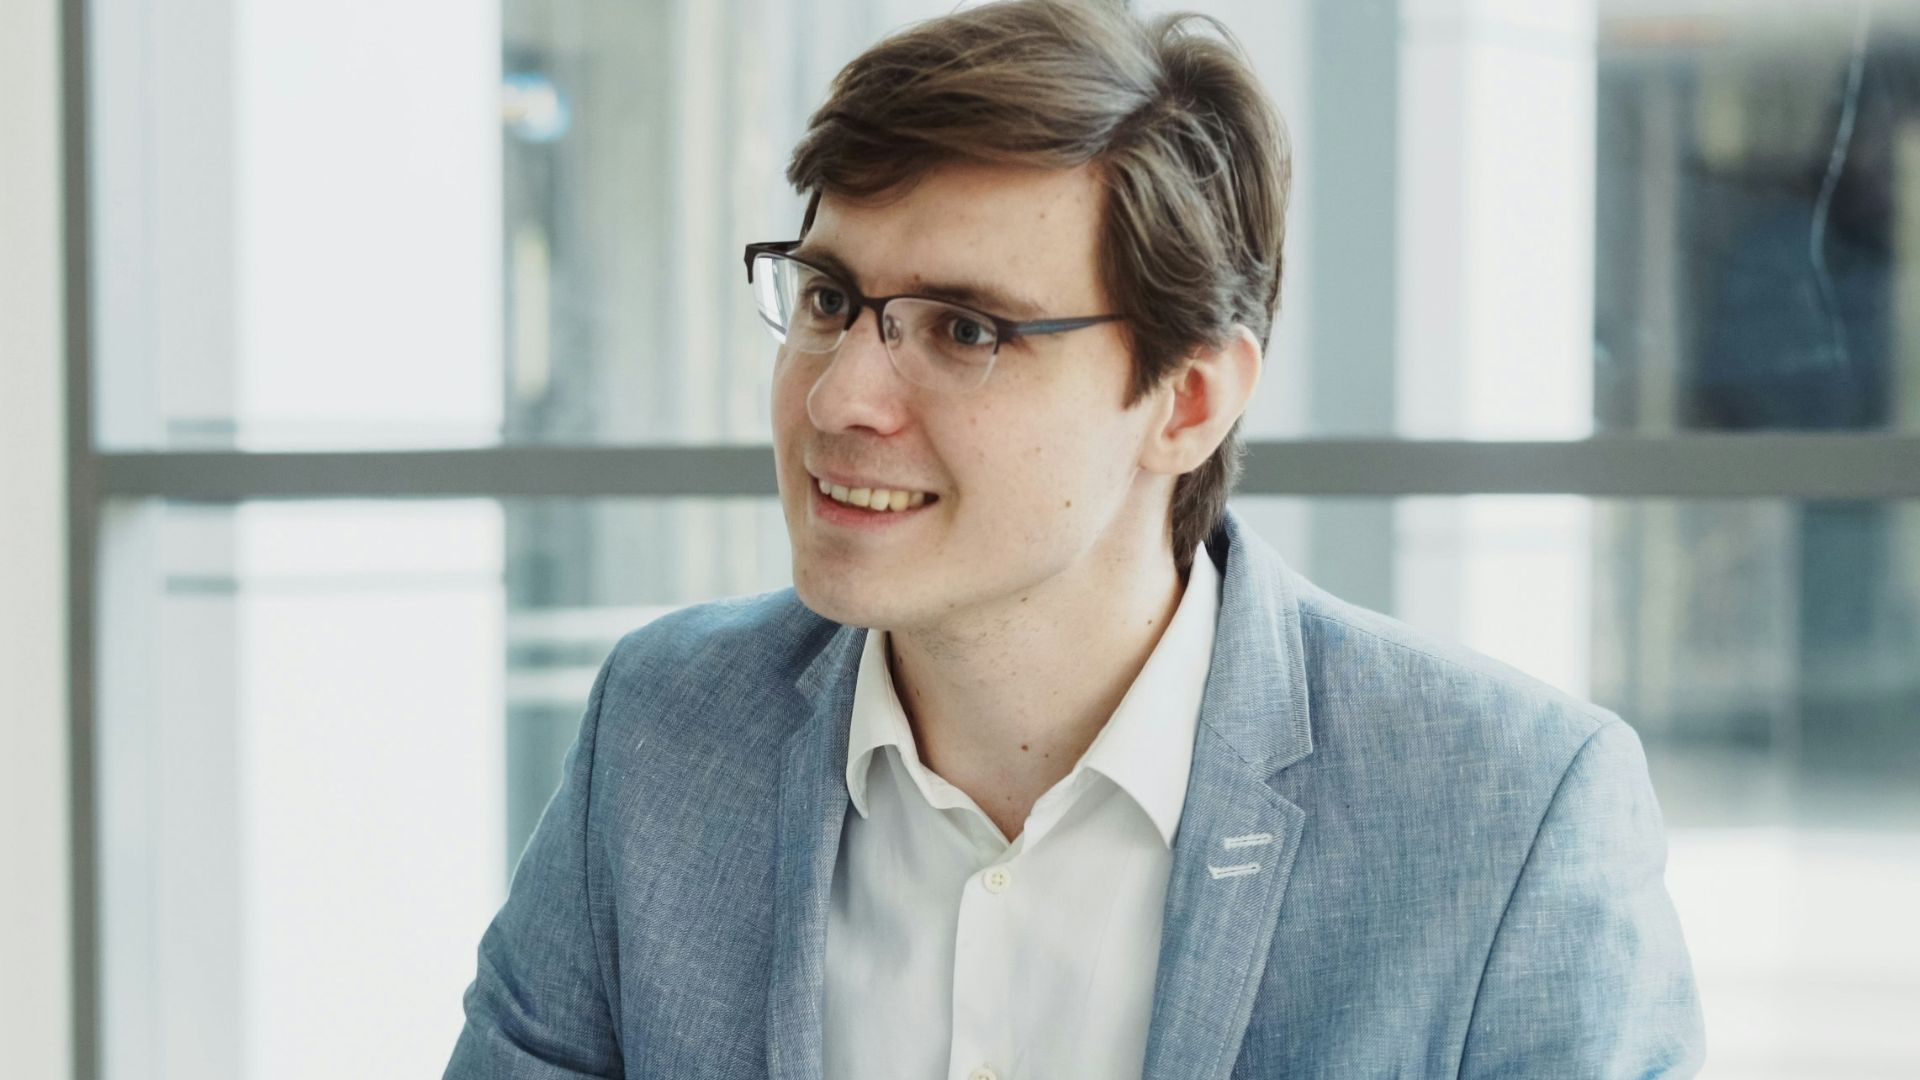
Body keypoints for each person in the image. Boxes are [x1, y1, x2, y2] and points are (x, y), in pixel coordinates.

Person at [445, 1, 1705, 1076]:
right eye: (830, 300)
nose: (835, 399)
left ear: (1189, 399)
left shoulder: (1509, 815)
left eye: (964, 331)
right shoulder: (666, 735)